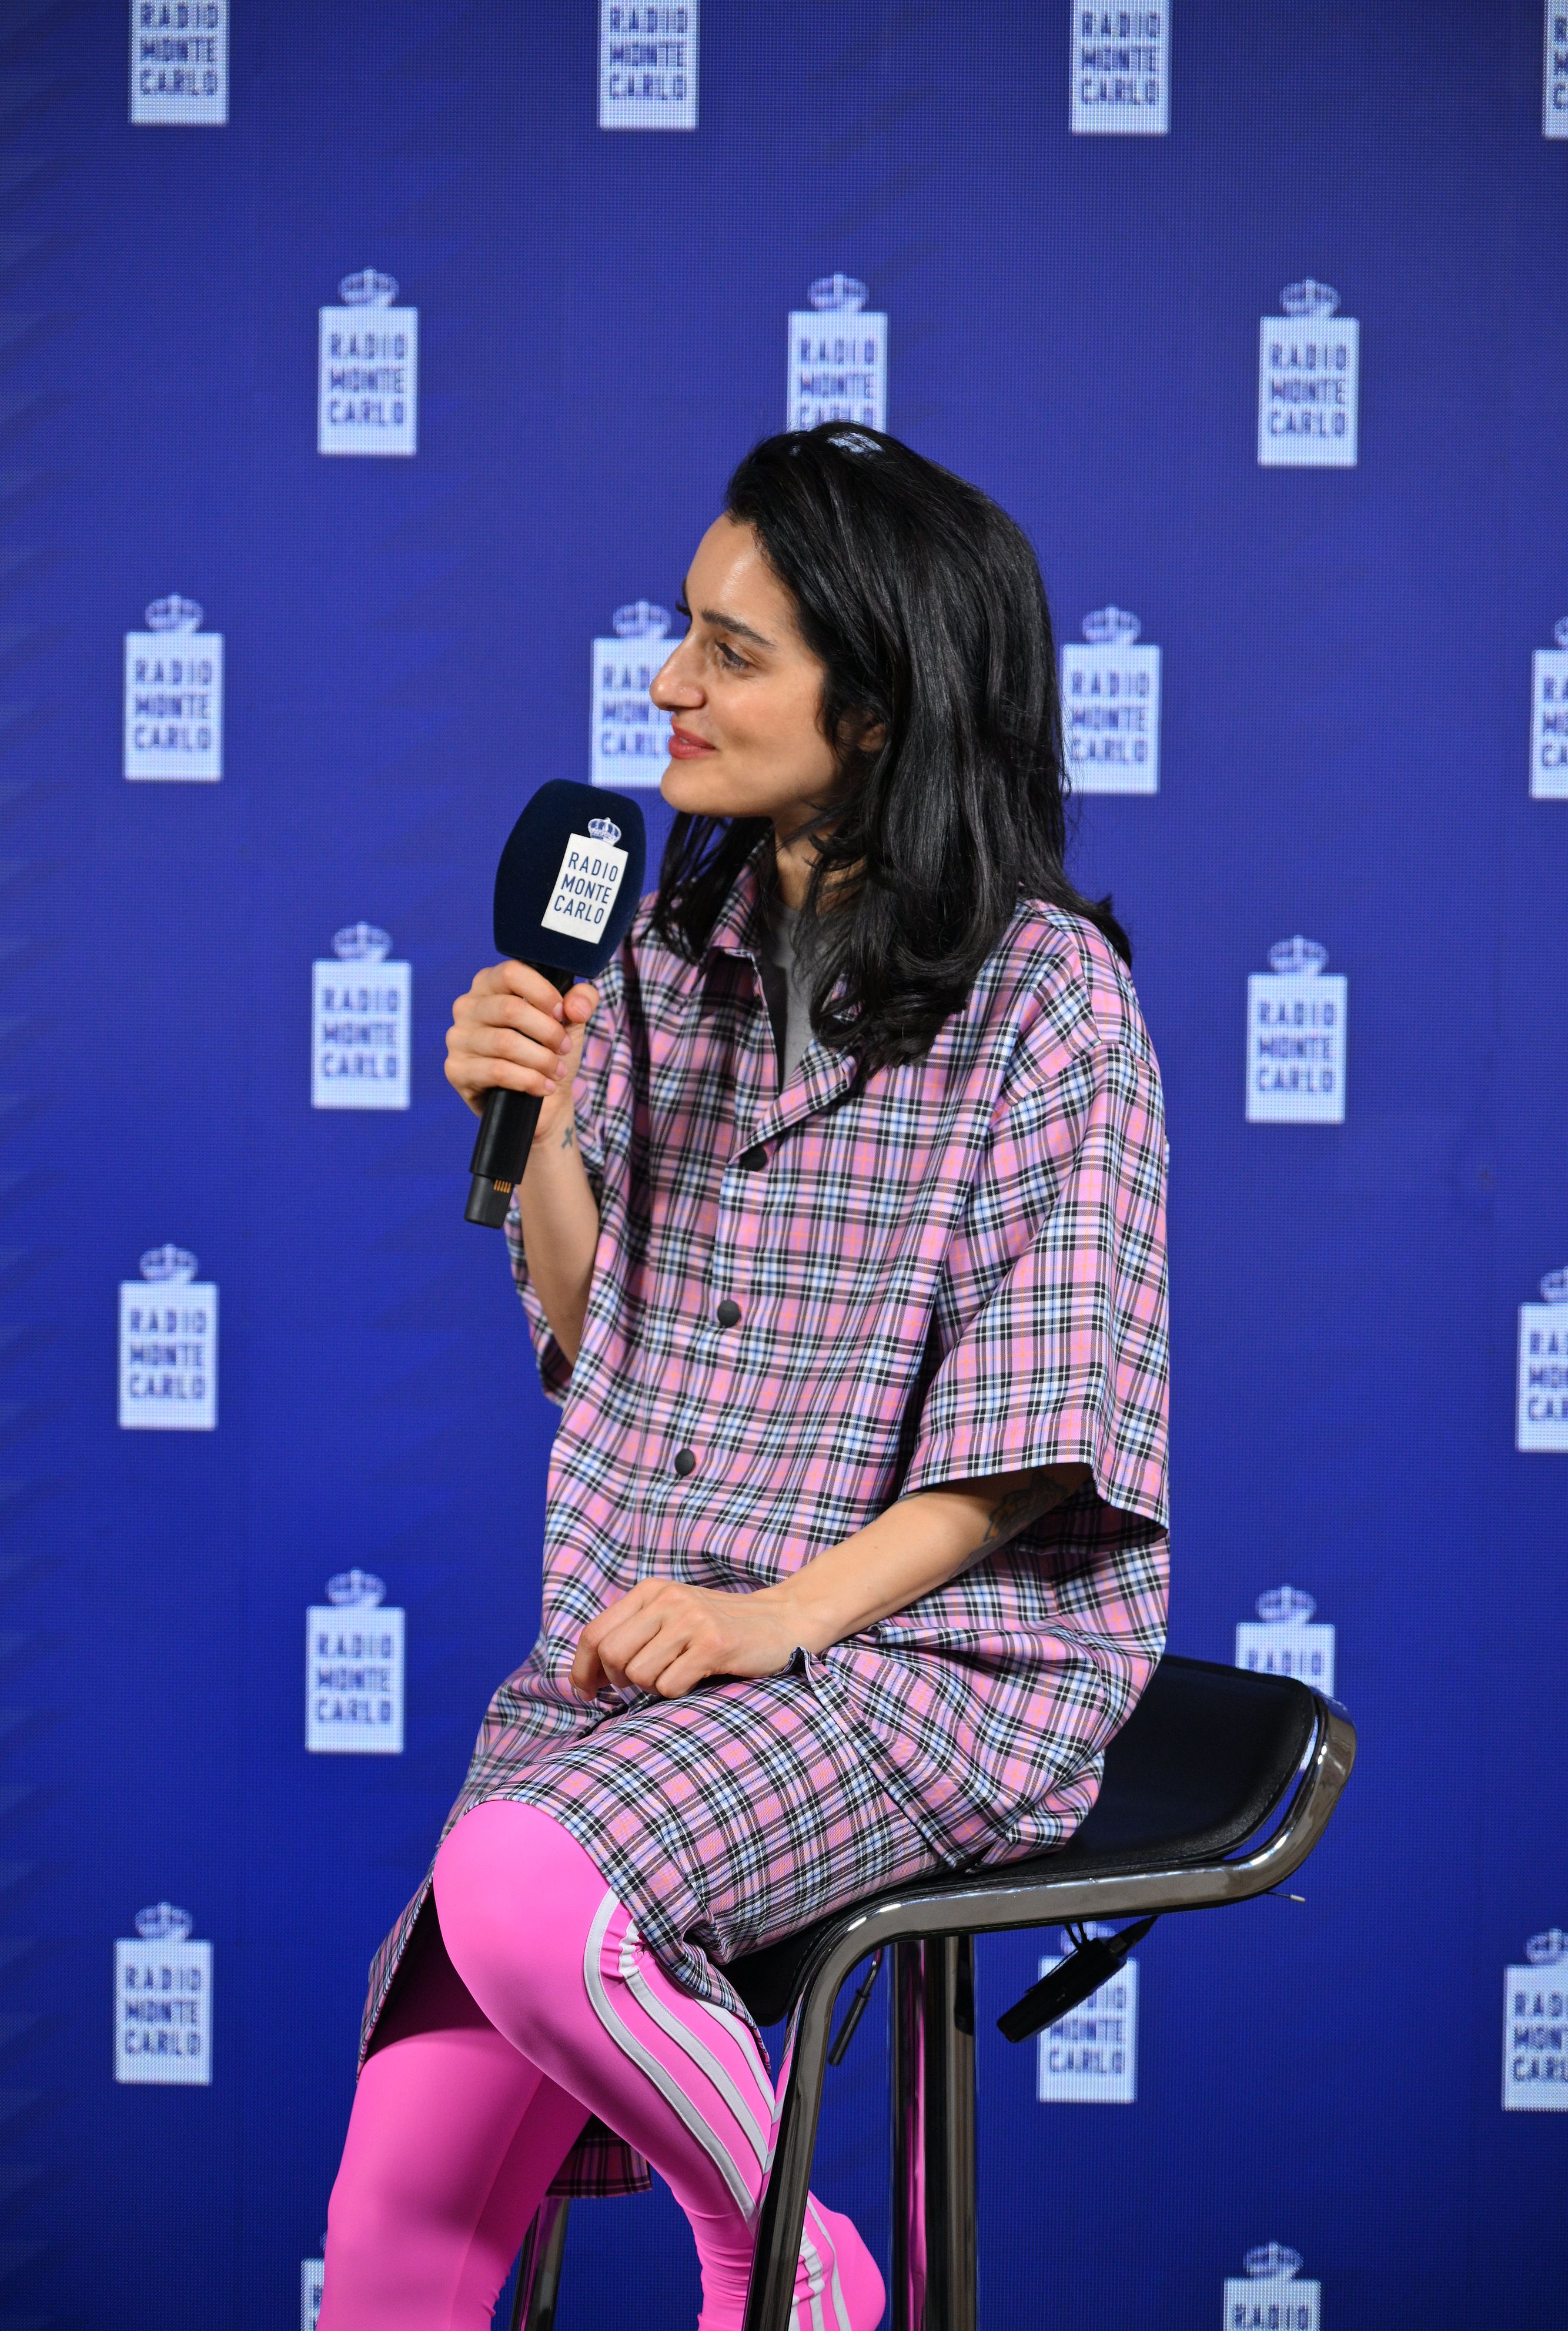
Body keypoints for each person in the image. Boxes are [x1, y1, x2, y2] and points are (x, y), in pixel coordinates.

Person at [318, 424, 1169, 2331]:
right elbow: (595, 1324)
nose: (665, 683)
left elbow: (1031, 1449)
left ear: (874, 707)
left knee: (529, 1883)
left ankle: (788, 2268)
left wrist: (774, 1620)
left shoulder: (1050, 1001)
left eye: (730, 649)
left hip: (922, 1665)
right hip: (649, 1642)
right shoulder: (660, 953)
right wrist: (539, 1121)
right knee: (388, 2224)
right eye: (680, 633)